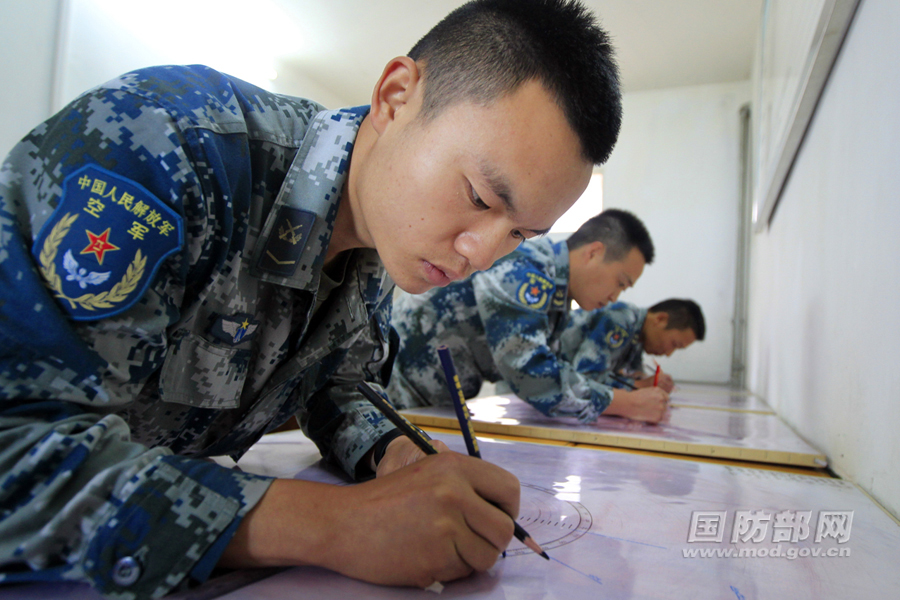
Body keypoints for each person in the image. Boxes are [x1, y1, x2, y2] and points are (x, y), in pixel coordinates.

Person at [0, 0, 622, 596]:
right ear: (395, 96)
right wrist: (329, 524)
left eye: (519, 234)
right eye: (482, 198)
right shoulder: (166, 147)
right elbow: (14, 445)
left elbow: (335, 387)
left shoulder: (384, 244)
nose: (480, 255)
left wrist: (397, 455)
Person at [387, 209, 653, 424]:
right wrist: (619, 403)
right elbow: (529, 370)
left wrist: (625, 392)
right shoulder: (528, 270)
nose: (615, 297)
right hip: (394, 391)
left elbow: (557, 365)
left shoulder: (557, 296)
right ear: (593, 253)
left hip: (428, 403)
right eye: (620, 282)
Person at [558, 298, 706, 423]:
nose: (668, 353)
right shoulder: (621, 321)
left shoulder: (637, 337)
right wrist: (641, 385)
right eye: (674, 344)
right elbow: (583, 376)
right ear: (660, 319)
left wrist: (649, 381)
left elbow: (628, 373)